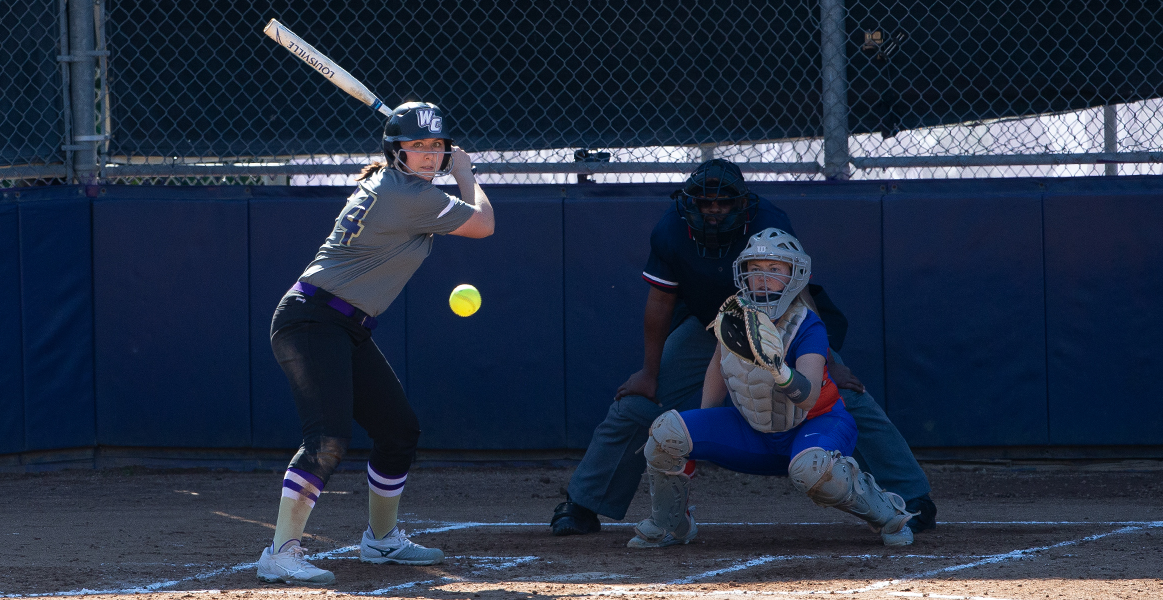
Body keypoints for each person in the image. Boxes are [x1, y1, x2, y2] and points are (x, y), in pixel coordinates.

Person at [551, 159, 936, 536]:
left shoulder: (770, 220)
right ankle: (584, 504)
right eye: (705, 202)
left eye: (723, 202)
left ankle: (912, 498)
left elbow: (799, 290)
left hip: (782, 320)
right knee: (640, 403)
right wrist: (649, 373)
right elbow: (660, 302)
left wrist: (830, 361)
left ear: (742, 203)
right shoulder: (671, 229)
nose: (714, 210)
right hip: (710, 325)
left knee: (841, 396)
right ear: (690, 203)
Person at [255, 101, 495, 585]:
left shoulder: (400, 186)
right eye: (417, 146)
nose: (429, 155)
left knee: (398, 430)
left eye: (436, 146)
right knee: (326, 439)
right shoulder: (404, 194)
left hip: (344, 324)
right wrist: (467, 174)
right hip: (313, 319)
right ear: (396, 152)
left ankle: (381, 541)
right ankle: (280, 552)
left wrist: (447, 166)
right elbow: (483, 223)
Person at [629, 228, 915, 548]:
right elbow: (718, 365)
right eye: (755, 269)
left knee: (812, 469)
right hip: (755, 430)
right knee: (667, 432)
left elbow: (806, 396)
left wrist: (778, 369)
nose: (763, 278)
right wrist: (702, 427)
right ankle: (670, 523)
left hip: (814, 425)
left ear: (795, 275)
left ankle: (887, 512)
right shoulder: (733, 312)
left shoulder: (807, 324)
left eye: (775, 270)